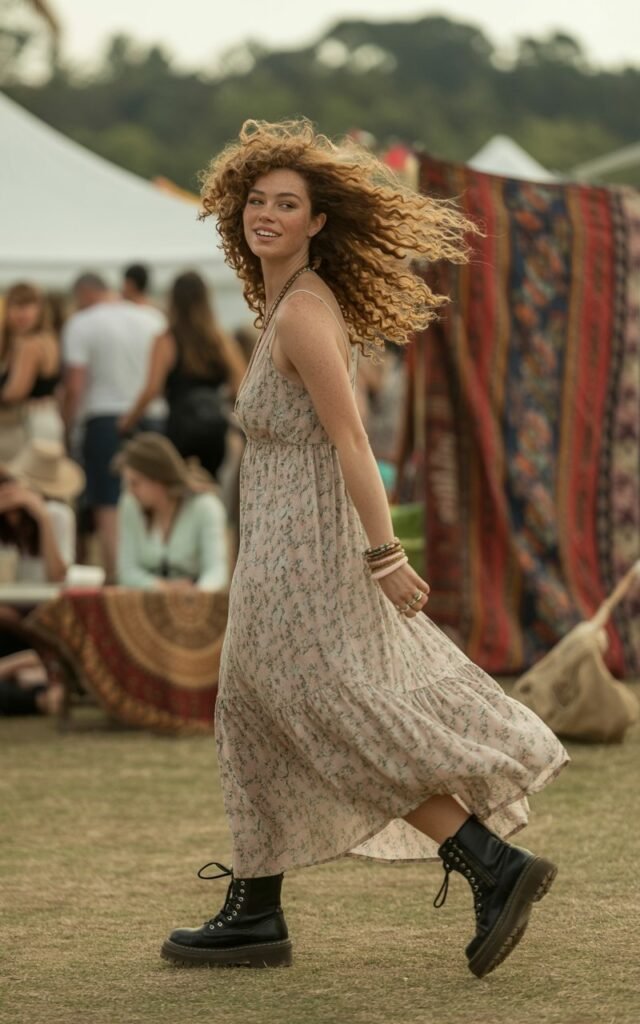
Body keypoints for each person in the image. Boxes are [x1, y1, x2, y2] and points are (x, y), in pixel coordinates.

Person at [161, 119, 569, 979]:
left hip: (308, 557)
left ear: (317, 222)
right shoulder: (278, 304)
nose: (266, 215)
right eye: (256, 201)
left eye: (287, 204)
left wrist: (384, 557)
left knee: (336, 716)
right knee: (251, 711)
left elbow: (354, 443)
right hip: (275, 554)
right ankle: (257, 908)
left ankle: (490, 864)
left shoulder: (305, 311)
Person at [62, 273, 167, 582]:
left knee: (108, 501)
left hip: (103, 416)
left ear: (83, 293)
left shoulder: (82, 323)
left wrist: (68, 426)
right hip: (152, 415)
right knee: (153, 498)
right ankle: (151, 576)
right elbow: (162, 373)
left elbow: (76, 384)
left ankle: (117, 578)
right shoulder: (152, 318)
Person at [118, 271, 246, 481]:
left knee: (180, 488)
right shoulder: (220, 340)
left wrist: (128, 421)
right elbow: (240, 386)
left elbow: (152, 389)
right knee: (211, 485)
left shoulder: (166, 340)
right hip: (215, 427)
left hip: (181, 426)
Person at [0, 439, 83, 714]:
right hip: (13, 616)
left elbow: (57, 576)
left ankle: (30, 671)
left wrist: (42, 518)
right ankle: (30, 673)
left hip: (45, 615)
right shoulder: (7, 524)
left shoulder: (57, 515)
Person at [114, 432, 228, 591]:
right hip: (145, 600)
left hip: (195, 601)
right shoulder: (130, 504)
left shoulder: (206, 507)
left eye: (135, 483)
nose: (131, 491)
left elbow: (216, 572)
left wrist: (194, 597)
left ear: (157, 479)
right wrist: (162, 587)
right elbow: (126, 571)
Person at [0, 282, 64, 460]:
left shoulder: (29, 345)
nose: (22, 312)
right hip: (45, 418)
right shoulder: (49, 339)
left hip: (27, 424)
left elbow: (15, 392)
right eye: (16, 305)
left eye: (28, 305)